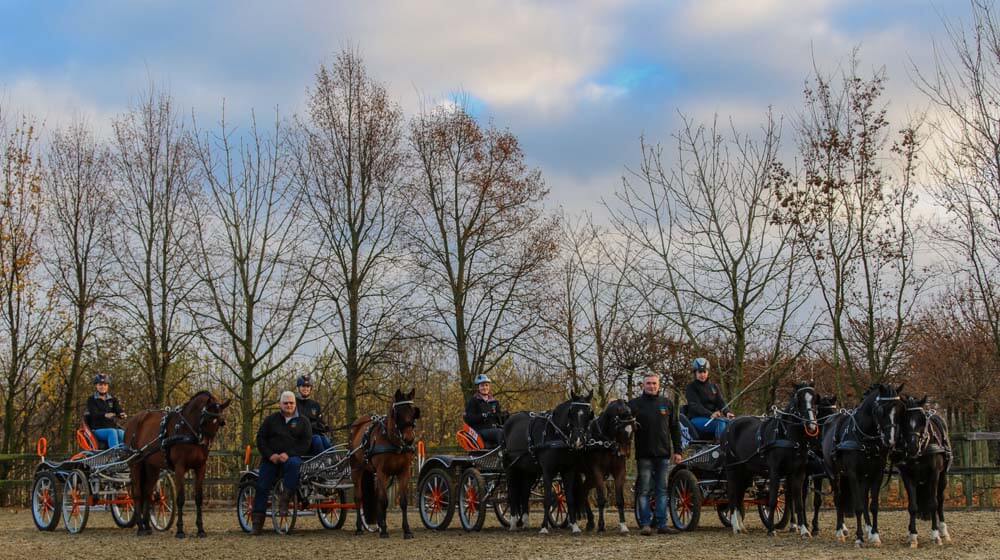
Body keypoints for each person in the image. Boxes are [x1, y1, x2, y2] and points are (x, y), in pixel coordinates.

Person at [628, 369, 683, 536]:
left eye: (654, 383)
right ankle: (645, 524)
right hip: (644, 455)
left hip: (663, 455)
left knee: (662, 490)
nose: (651, 386)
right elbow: (626, 429)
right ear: (642, 385)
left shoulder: (667, 404)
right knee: (644, 490)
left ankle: (662, 524)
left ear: (659, 385)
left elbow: (675, 429)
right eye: (648, 383)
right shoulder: (634, 405)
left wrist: (678, 450)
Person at [251, 391, 312, 535]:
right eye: (285, 403)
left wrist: (289, 454)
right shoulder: (270, 420)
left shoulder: (303, 421)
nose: (289, 405)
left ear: (295, 404)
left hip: (291, 458)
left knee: (295, 464)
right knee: (262, 485)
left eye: (291, 403)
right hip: (271, 459)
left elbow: (306, 443)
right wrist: (270, 455)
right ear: (280, 404)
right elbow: (260, 439)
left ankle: (285, 499)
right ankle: (257, 523)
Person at [684, 357, 734, 440]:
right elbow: (694, 406)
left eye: (704, 372)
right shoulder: (691, 387)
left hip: (712, 419)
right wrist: (710, 414)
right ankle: (721, 448)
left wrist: (727, 412)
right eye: (700, 372)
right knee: (720, 423)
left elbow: (720, 402)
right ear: (695, 373)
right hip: (696, 419)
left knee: (731, 423)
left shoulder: (713, 387)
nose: (702, 374)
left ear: (707, 372)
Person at [85, 374, 126, 449]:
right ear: (96, 386)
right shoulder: (91, 400)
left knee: (122, 433)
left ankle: (125, 454)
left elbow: (118, 409)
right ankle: (115, 455)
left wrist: (121, 414)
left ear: (107, 386)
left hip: (112, 427)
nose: (102, 387)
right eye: (100, 384)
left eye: (105, 385)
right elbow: (94, 414)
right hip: (97, 430)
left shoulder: (113, 399)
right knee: (112, 432)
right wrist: (105, 415)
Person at [463, 374, 505, 448]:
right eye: (482, 385)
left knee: (509, 430)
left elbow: (498, 419)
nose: (484, 387)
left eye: (486, 385)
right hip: (479, 431)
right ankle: (501, 453)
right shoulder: (473, 401)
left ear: (489, 387)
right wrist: (483, 416)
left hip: (493, 429)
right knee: (500, 432)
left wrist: (503, 416)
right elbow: (468, 419)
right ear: (478, 387)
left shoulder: (494, 402)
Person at [295, 375, 332, 454]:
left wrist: (324, 426)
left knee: (326, 441)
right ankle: (323, 462)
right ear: (298, 387)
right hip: (301, 437)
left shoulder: (315, 405)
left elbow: (320, 421)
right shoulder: (292, 403)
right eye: (303, 386)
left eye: (308, 386)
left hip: (315, 434)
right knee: (317, 439)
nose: (306, 389)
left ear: (311, 388)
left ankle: (336, 461)